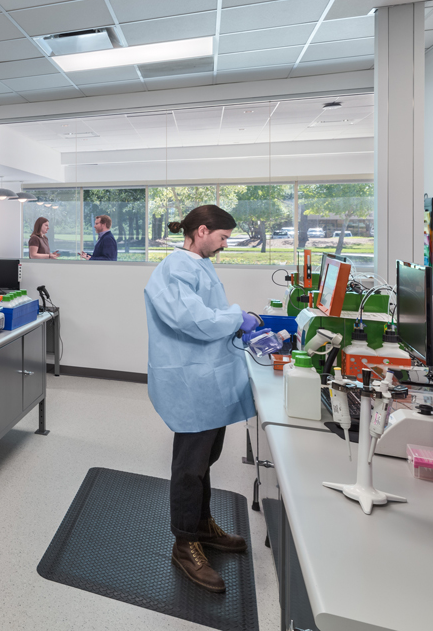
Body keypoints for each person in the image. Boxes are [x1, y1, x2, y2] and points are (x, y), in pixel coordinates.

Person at [143, 205, 256, 594]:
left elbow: (207, 313)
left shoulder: (198, 265)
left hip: (208, 380)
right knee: (190, 466)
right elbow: (195, 321)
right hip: (190, 381)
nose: (224, 245)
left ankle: (203, 527)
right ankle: (183, 542)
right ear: (203, 230)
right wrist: (238, 316)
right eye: (222, 238)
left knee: (205, 460)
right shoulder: (176, 269)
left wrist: (238, 319)